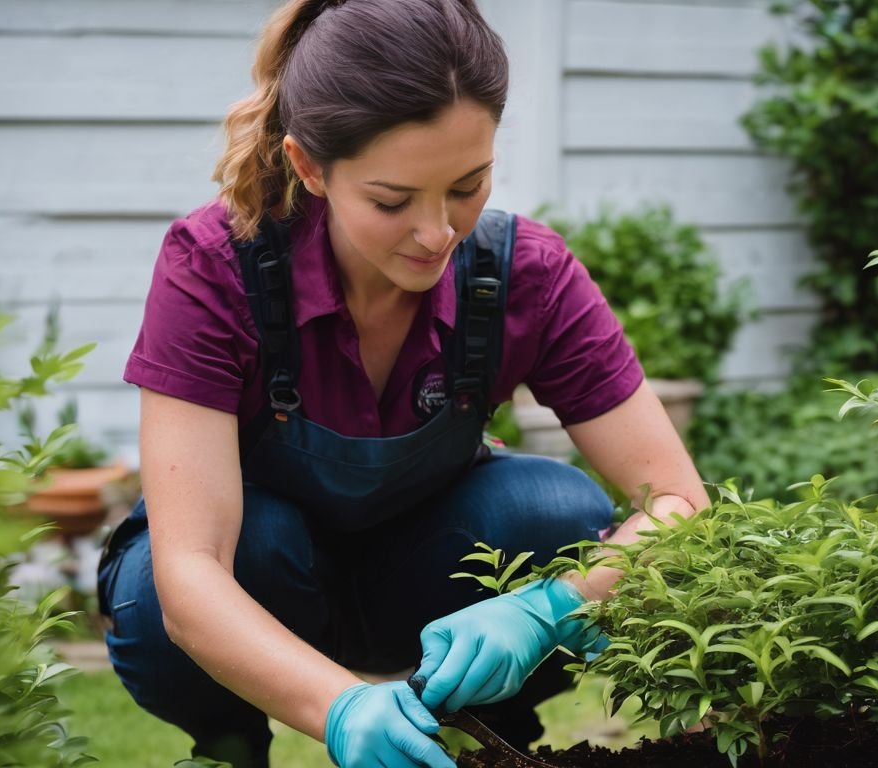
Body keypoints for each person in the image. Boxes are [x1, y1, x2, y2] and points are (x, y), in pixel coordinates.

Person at [96, 1, 708, 766]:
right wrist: (341, 707)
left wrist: (553, 609)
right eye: (392, 201)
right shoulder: (217, 265)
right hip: (263, 586)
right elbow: (188, 573)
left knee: (555, 514)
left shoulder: (525, 275)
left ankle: (485, 746)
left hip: (421, 585)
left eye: (467, 184)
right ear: (311, 167)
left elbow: (680, 505)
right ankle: (229, 747)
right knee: (204, 566)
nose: (438, 233)